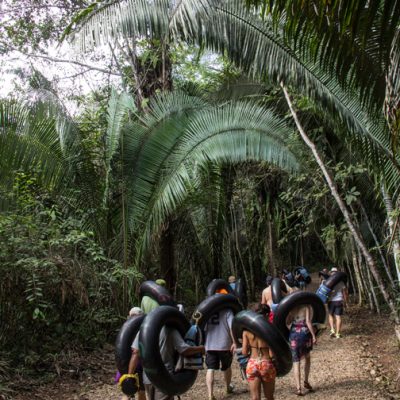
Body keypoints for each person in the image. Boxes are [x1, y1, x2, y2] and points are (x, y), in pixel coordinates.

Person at [128, 315, 205, 400]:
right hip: (165, 376)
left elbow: (135, 353)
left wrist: (129, 375)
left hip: (148, 377)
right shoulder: (171, 330)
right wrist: (201, 348)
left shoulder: (143, 331)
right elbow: (184, 350)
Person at [205, 289, 236, 400]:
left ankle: (210, 394)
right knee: (227, 367)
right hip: (224, 344)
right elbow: (232, 327)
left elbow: (203, 329)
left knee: (210, 368)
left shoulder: (206, 311)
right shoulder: (228, 310)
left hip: (210, 344)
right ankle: (227, 388)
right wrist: (234, 342)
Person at [287, 301, 317, 396]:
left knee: (296, 361)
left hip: (293, 334)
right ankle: (306, 381)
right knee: (307, 357)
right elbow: (308, 322)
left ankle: (298, 388)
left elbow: (287, 322)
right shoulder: (306, 307)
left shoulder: (290, 309)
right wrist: (313, 336)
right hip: (304, 334)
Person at [116, 307, 145, 400]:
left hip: (136, 365)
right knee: (131, 392)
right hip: (130, 364)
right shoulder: (129, 329)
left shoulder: (139, 329)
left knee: (140, 391)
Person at [242, 329, 276, 400]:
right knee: (269, 397)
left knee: (255, 398)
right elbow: (271, 354)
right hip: (266, 363)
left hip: (252, 364)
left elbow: (244, 352)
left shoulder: (246, 332)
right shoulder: (268, 330)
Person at [327, 267, 348, 339]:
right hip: (339, 300)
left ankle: (332, 330)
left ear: (331, 273)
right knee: (338, 317)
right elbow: (345, 293)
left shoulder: (328, 282)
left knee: (330, 315)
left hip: (331, 301)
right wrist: (345, 302)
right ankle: (338, 334)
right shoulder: (341, 282)